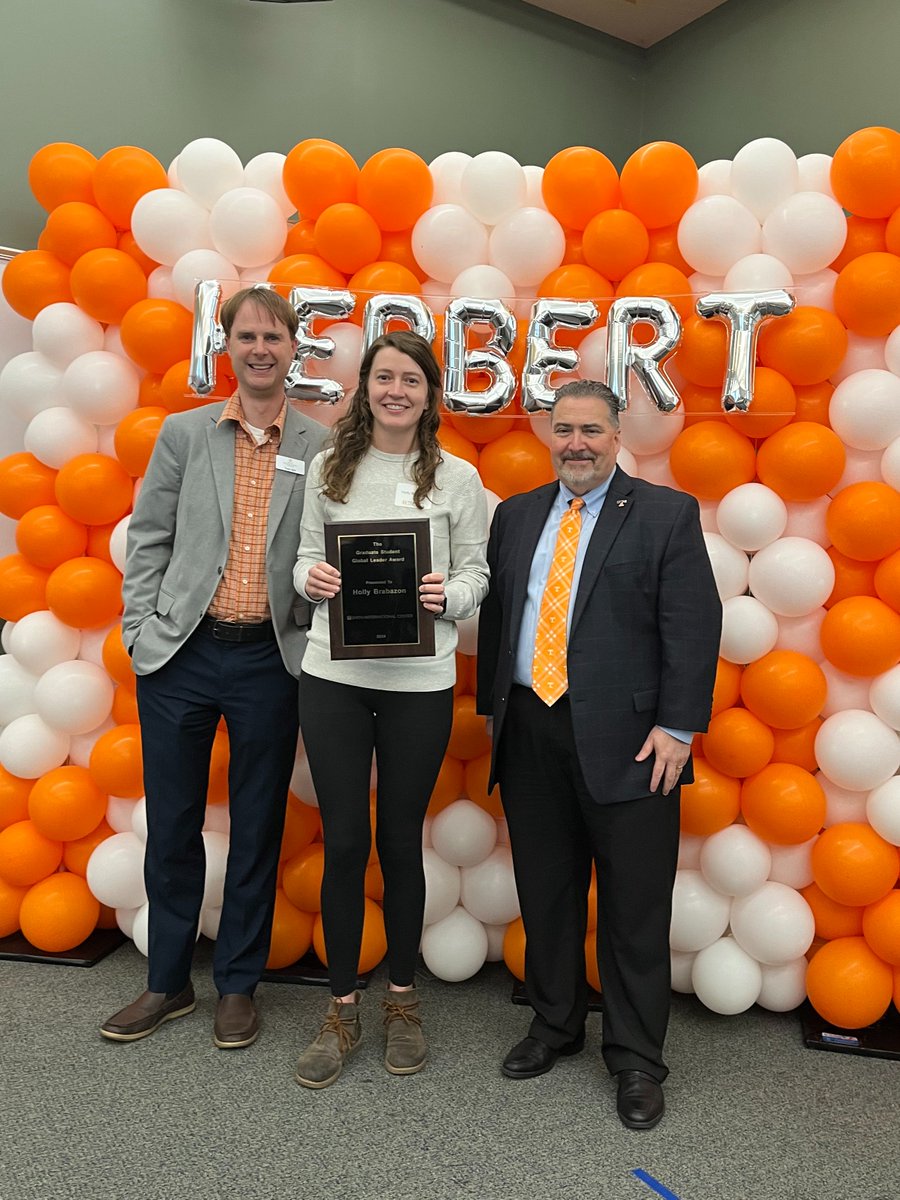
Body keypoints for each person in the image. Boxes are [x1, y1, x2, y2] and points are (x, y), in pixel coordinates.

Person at [476, 380, 721, 1131]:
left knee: (633, 910)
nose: (576, 443)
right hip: (531, 731)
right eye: (564, 429)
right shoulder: (516, 517)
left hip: (634, 744)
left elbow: (693, 624)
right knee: (546, 893)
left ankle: (637, 1059)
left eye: (592, 430)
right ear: (548, 434)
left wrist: (678, 729)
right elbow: (496, 618)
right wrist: (496, 715)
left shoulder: (664, 514)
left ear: (618, 436)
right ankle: (554, 1025)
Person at [102, 286, 326, 1049]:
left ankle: (237, 984)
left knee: (258, 825)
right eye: (247, 335)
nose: (261, 348)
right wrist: (140, 631)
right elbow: (150, 539)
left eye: (274, 336)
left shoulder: (320, 445)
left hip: (269, 659)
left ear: (295, 348)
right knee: (171, 825)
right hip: (180, 656)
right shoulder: (184, 434)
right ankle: (167, 982)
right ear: (226, 345)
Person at [292, 330, 489, 1088]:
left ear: (429, 394)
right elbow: (307, 553)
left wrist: (455, 594)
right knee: (345, 841)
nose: (395, 390)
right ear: (365, 387)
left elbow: (476, 569)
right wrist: (315, 578)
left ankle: (402, 1001)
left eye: (410, 379)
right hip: (333, 675)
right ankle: (342, 1007)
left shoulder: (458, 478)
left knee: (401, 841)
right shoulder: (327, 469)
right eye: (383, 378)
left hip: (420, 681)